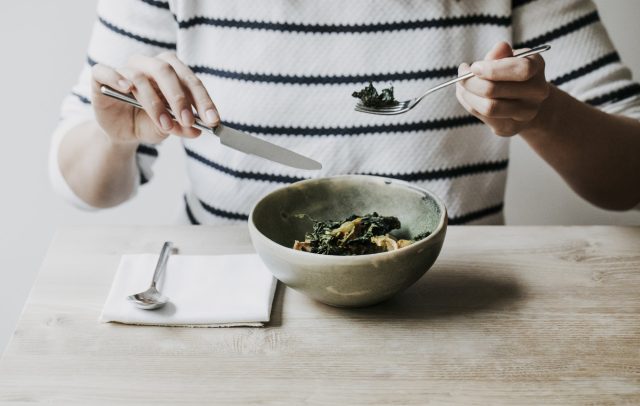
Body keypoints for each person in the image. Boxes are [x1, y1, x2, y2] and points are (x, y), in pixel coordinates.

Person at [50, 0, 640, 225]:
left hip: (452, 305)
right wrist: (115, 137)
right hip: (238, 310)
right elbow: (81, 188)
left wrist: (544, 115)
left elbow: (629, 179)